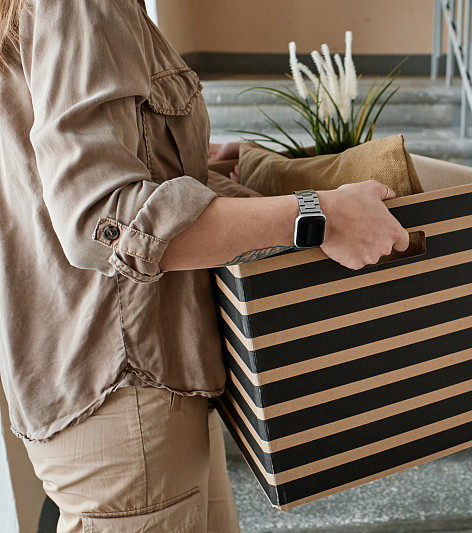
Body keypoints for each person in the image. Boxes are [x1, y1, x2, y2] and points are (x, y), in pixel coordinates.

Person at [0, 0, 409, 531]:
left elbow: (64, 180)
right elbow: (101, 220)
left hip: (134, 389)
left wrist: (196, 162)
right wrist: (319, 216)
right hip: (128, 399)